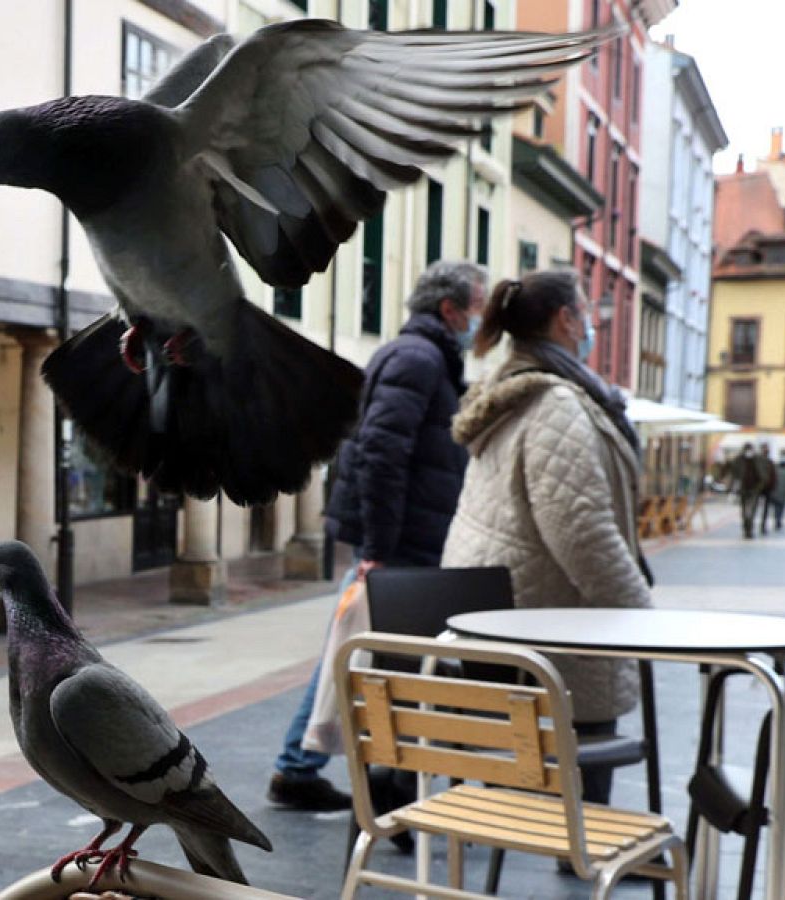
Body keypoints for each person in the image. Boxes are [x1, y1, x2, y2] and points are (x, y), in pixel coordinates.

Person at [267, 259, 485, 811]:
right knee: (372, 656)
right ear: (450, 309)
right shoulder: (418, 359)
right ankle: (368, 777)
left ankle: (301, 766)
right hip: (402, 540)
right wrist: (380, 551)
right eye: (476, 308)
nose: (480, 321)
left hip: (405, 536)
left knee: (351, 650)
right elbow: (383, 454)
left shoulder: (425, 357)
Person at [441, 270, 650, 805]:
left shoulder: (507, 388)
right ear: (567, 319)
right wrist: (640, 612)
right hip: (556, 625)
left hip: (504, 613)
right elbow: (582, 531)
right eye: (588, 313)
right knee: (579, 791)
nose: (592, 327)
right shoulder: (556, 403)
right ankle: (582, 860)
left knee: (512, 782)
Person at [729, 445, 768, 539]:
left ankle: (749, 530)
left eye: (750, 450)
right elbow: (735, 475)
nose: (748, 452)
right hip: (743, 490)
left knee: (751, 511)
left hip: (754, 490)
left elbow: (763, 475)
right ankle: (746, 528)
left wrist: (760, 487)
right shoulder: (739, 461)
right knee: (744, 511)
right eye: (747, 450)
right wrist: (733, 489)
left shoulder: (758, 460)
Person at [767, 457, 785, 531]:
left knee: (777, 507)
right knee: (781, 507)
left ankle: (777, 520)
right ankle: (778, 520)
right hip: (782, 492)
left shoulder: (775, 469)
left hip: (775, 491)